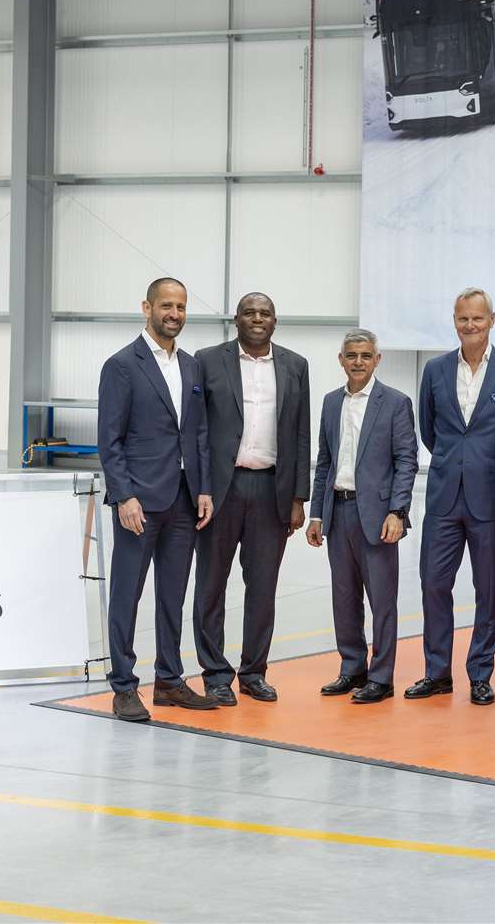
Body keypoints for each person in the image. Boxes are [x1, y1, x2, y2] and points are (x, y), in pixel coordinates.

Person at [96, 277, 219, 721]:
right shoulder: (122, 365)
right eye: (166, 305)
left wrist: (203, 487)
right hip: (139, 503)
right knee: (126, 595)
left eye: (181, 307)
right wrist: (123, 495)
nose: (174, 313)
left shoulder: (190, 366)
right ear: (146, 307)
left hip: (184, 501)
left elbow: (198, 434)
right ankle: (124, 687)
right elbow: (109, 439)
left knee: (173, 595)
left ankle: (169, 680)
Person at [408, 288, 495, 705]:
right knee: (433, 584)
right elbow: (429, 431)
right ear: (454, 320)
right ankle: (437, 672)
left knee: (488, 589)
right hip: (444, 498)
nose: (470, 326)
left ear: (492, 320)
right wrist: (455, 460)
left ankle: (480, 673)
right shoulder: (434, 370)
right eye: (463, 319)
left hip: (490, 501)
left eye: (477, 319)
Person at [193, 292, 311, 704]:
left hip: (271, 491)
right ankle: (215, 675)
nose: (257, 319)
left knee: (262, 588)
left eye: (265, 313)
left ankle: (253, 672)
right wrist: (200, 487)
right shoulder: (207, 360)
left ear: (275, 321)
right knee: (211, 585)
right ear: (237, 319)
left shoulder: (295, 365)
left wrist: (299, 497)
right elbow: (197, 432)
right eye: (250, 312)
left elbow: (300, 433)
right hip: (220, 492)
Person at [306, 329, 418, 704]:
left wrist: (397, 512)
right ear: (340, 359)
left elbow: (407, 462)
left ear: (377, 359)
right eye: (351, 355)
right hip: (338, 511)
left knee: (382, 600)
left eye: (365, 356)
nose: (358, 362)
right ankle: (352, 668)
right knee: (344, 597)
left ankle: (382, 676)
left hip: (378, 516)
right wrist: (316, 515)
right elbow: (324, 461)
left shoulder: (396, 403)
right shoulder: (330, 403)